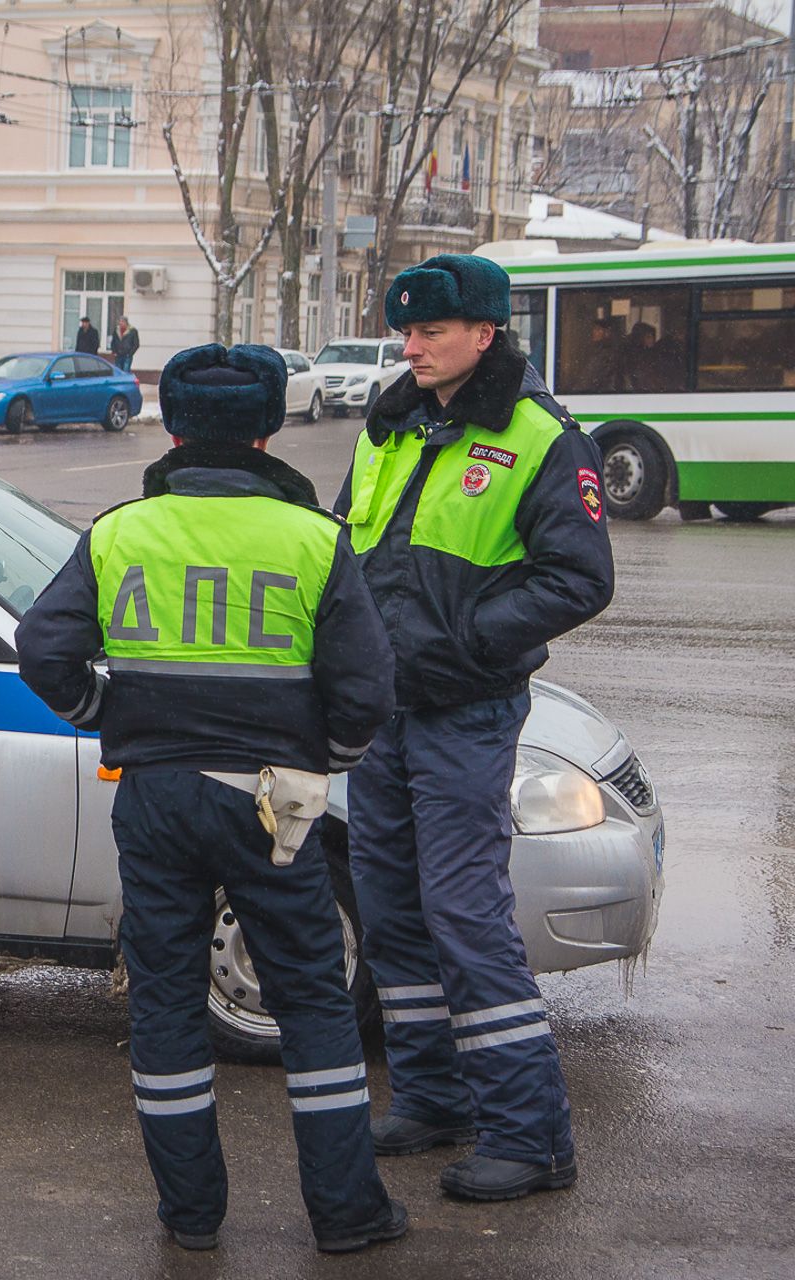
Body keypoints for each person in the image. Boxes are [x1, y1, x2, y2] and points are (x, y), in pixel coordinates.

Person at [18, 343, 406, 1255]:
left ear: (175, 428)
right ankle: (347, 1215)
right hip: (275, 805)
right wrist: (328, 757)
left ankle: (191, 1218)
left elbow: (45, 650)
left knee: (163, 1000)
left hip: (155, 798)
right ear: (269, 432)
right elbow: (367, 692)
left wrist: (102, 711)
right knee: (312, 1002)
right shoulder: (314, 540)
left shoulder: (121, 532)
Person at [334, 253, 614, 1202]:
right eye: (405, 331)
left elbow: (581, 578)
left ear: (483, 335)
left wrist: (469, 644)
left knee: (464, 913)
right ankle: (432, 1098)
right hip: (384, 711)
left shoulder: (538, 435)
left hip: (465, 708)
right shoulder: (391, 420)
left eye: (431, 332)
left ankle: (532, 1140)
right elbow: (348, 551)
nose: (410, 344)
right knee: (390, 905)